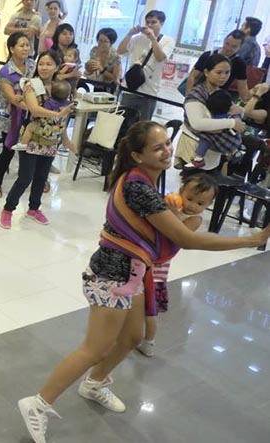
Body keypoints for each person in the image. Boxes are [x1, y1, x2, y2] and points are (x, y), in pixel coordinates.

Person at [17, 121, 270, 443]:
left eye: (167, 143)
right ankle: (38, 404)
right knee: (94, 349)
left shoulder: (146, 182)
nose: (167, 150)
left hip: (133, 273)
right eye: (158, 147)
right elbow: (185, 239)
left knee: (133, 336)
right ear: (137, 155)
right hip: (112, 275)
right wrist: (250, 240)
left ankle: (94, 383)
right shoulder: (138, 187)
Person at [136, 173, 218, 357]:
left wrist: (172, 214)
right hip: (144, 256)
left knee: (149, 307)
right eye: (189, 198)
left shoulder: (194, 219)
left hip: (158, 266)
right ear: (181, 191)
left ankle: (149, 341)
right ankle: (129, 331)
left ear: (207, 206)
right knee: (134, 298)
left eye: (200, 203)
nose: (191, 205)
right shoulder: (171, 202)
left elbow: (178, 235)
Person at [0, 51, 75, 230]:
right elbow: (34, 109)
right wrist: (57, 113)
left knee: (41, 178)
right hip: (32, 138)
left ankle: (34, 208)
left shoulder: (62, 87)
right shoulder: (31, 85)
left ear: (57, 67)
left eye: (49, 64)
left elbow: (62, 119)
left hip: (51, 139)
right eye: (41, 64)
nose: (44, 67)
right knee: (25, 177)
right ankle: (8, 209)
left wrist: (66, 140)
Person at [175, 54, 247, 170]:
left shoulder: (221, 93)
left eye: (227, 72)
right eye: (219, 72)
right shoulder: (196, 95)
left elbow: (235, 112)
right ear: (207, 72)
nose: (223, 77)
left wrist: (239, 113)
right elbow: (197, 123)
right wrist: (232, 123)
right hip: (193, 150)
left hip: (213, 156)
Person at [0, 32, 35, 199]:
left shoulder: (32, 65)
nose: (26, 48)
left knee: (32, 149)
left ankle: (31, 180)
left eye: (27, 45)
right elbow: (11, 98)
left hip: (30, 115)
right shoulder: (5, 71)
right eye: (21, 45)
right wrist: (33, 107)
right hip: (11, 117)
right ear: (12, 48)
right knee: (8, 149)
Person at [117, 10, 175, 121]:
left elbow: (160, 57)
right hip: (129, 88)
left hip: (149, 92)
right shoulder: (137, 38)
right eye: (147, 22)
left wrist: (153, 38)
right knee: (122, 124)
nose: (149, 25)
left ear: (161, 23)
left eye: (153, 22)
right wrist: (129, 34)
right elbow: (120, 51)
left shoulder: (168, 40)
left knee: (142, 128)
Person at [185, 30, 249, 102]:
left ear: (240, 47)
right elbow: (193, 76)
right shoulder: (207, 55)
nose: (228, 48)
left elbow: (242, 88)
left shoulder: (239, 63)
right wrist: (189, 97)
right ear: (224, 41)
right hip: (200, 94)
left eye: (234, 47)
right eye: (227, 44)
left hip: (219, 99)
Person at [12, 79, 73, 151]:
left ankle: (23, 143)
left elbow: (37, 110)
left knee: (29, 128)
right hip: (56, 132)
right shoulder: (68, 104)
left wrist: (23, 98)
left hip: (44, 128)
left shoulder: (49, 102)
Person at [188, 90, 242, 168]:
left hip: (220, 145)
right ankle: (235, 152)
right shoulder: (233, 115)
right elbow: (239, 121)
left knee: (205, 138)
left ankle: (199, 158)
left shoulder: (213, 119)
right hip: (236, 141)